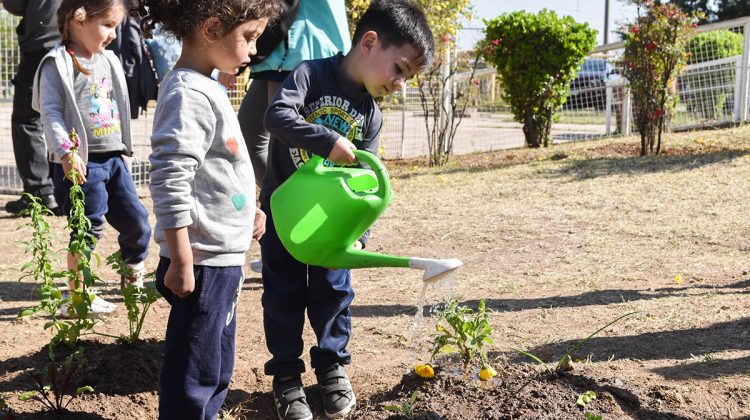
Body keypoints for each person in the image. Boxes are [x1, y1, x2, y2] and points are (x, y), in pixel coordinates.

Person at [259, 1, 434, 419]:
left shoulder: (371, 115)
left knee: (334, 293)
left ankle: (332, 367)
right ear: (370, 42)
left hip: (333, 226)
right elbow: (275, 116)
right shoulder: (310, 74)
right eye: (400, 69)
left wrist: (359, 234)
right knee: (283, 294)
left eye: (407, 77)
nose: (400, 84)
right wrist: (325, 141)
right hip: (284, 214)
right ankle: (286, 377)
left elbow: (366, 182)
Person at [134, 0, 278, 417]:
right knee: (193, 370)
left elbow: (222, 164)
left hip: (222, 258)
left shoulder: (209, 85)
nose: (253, 51)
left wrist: (250, 205)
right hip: (202, 262)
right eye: (249, 37)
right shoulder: (186, 92)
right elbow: (169, 177)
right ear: (212, 29)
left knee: (216, 361)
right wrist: (180, 256)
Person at [31, 0, 152, 314]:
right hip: (83, 163)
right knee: (87, 227)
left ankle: (131, 276)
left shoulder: (107, 60)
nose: (113, 34)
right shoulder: (58, 63)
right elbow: (51, 113)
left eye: (116, 26)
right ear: (79, 20)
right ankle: (79, 295)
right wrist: (66, 153)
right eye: (108, 25)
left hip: (114, 159)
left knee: (137, 221)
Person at [237, 0, 351, 274]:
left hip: (301, 41)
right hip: (276, 49)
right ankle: (288, 232)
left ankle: (291, 243)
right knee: (249, 139)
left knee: (284, 151)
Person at [3, 0, 63, 216]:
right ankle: (64, 191)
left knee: (27, 119)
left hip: (42, 43)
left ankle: (41, 193)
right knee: (64, 117)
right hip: (77, 42)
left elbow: (15, 4)